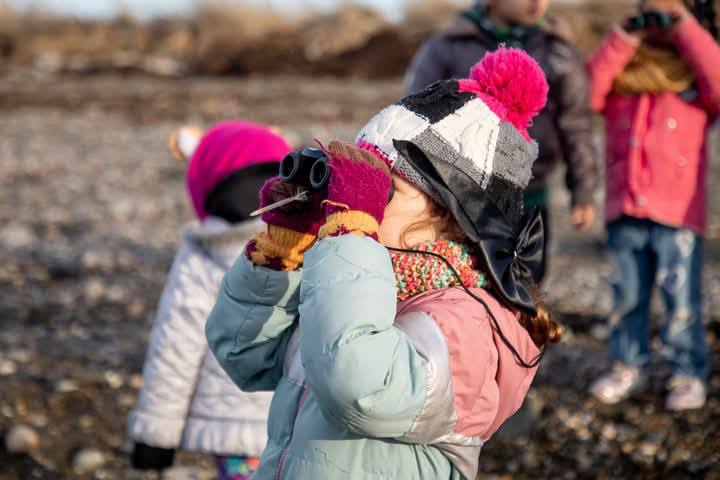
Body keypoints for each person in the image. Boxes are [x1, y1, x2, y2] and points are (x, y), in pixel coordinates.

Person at [206, 48, 562, 480]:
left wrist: (351, 236)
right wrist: (283, 249)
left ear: (450, 217)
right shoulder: (347, 285)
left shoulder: (468, 323)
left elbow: (357, 386)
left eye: (384, 190)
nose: (363, 203)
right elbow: (245, 356)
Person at [127, 121, 291, 479]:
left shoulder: (202, 252)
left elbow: (176, 345)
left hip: (232, 431)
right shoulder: (313, 240)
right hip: (305, 424)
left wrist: (156, 436)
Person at [405, 0, 599, 282]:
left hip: (530, 194)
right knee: (463, 278)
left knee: (527, 281)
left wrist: (583, 192)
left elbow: (577, 125)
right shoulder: (448, 46)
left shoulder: (558, 52)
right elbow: (415, 114)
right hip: (460, 194)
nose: (537, 3)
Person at [588, 0, 719, 411]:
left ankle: (687, 369)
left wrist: (682, 25)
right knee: (626, 295)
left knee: (681, 301)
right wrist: (625, 35)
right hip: (624, 206)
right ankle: (628, 363)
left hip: (678, 211)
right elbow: (588, 90)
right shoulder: (624, 77)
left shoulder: (695, 82)